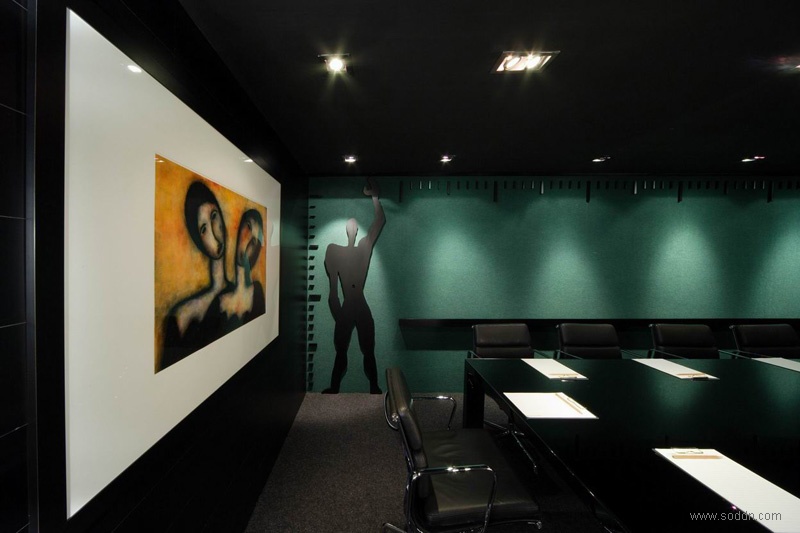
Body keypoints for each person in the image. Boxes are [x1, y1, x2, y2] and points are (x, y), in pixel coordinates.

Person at [160, 181, 232, 370]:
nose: (214, 234)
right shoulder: (181, 314)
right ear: (198, 240)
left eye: (214, 216)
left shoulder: (237, 295)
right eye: (204, 229)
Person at [323, 177, 385, 394]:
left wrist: (375, 197)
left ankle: (374, 387)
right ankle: (335, 387)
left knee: (368, 350)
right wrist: (339, 315)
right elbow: (332, 292)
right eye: (350, 226)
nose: (352, 229)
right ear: (348, 230)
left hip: (358, 304)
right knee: (341, 350)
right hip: (349, 306)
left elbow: (379, 221)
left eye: (354, 227)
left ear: (356, 231)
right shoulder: (335, 252)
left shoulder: (363, 248)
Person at [220, 209, 266, 331]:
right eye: (248, 227)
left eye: (254, 241)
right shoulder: (222, 296)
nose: (249, 240)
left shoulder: (257, 292)